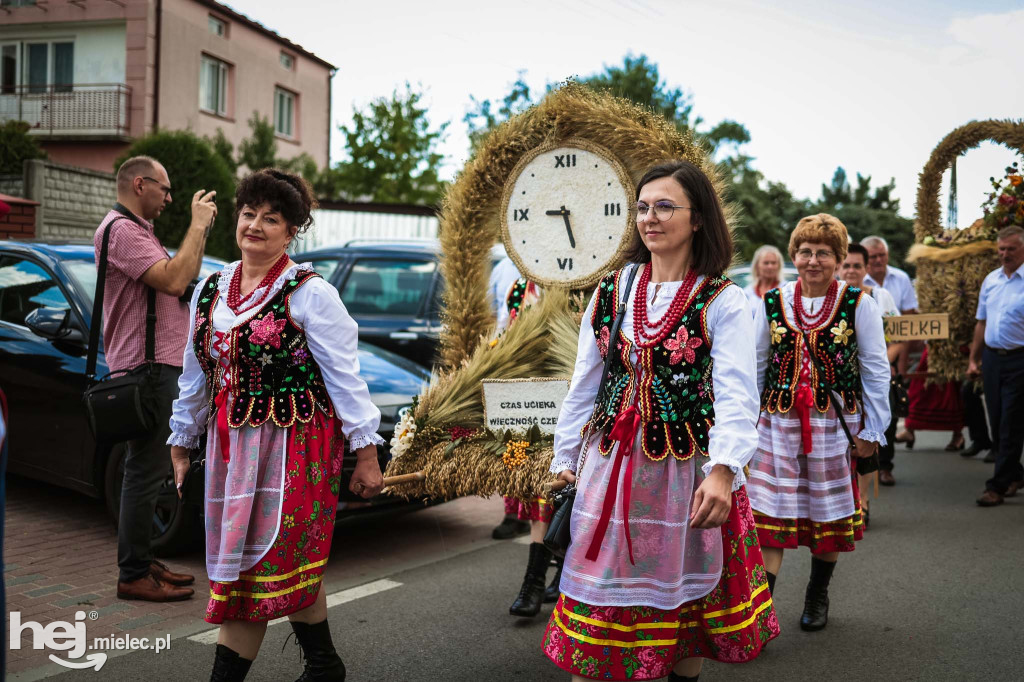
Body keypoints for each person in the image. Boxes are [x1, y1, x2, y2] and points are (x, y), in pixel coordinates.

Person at [543, 161, 779, 682]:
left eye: (666, 206)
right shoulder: (611, 292)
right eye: (643, 207)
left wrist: (723, 471)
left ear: (698, 220)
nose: (651, 218)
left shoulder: (724, 301)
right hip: (611, 472)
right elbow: (585, 384)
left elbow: (738, 396)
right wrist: (565, 460)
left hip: (688, 473)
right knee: (600, 608)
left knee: (685, 611)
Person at [168, 169, 385, 681]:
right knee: (281, 564)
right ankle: (326, 665)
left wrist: (367, 452)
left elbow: (345, 377)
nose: (256, 226)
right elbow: (195, 371)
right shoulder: (210, 289)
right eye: (249, 214)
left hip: (294, 449)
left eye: (272, 219)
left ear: (291, 232)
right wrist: (182, 437)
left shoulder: (310, 293)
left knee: (258, 567)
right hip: (229, 451)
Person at [748, 214, 890, 632]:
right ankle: (761, 613)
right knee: (769, 520)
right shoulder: (771, 301)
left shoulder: (858, 303)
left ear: (838, 257)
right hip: (776, 424)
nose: (813, 260)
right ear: (794, 255)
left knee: (825, 515)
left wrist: (872, 431)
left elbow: (876, 369)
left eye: (823, 253)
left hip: (833, 425)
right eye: (806, 252)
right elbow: (757, 365)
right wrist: (745, 424)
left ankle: (817, 595)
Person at [97, 155, 217, 602]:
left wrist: (199, 234)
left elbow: (185, 281)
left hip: (157, 367)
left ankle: (142, 561)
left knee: (147, 471)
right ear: (140, 184)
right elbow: (173, 280)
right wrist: (197, 224)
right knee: (145, 472)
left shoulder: (139, 231)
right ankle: (132, 573)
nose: (169, 197)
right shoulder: (122, 230)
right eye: (164, 189)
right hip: (146, 371)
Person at [840, 242, 899, 518]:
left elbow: (897, 338)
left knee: (870, 440)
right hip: (845, 382)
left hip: (872, 377)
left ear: (866, 269)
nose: (851, 271)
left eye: (857, 266)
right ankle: (845, 498)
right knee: (847, 441)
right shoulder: (834, 298)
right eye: (847, 265)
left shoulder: (880, 296)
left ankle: (864, 501)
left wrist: (879, 365)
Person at [968, 225, 1024, 507]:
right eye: (1001, 249)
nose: (1004, 254)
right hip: (992, 358)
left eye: (1011, 249)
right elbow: (982, 323)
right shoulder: (991, 280)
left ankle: (997, 486)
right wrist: (973, 359)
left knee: (1010, 422)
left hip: (1019, 359)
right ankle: (1015, 473)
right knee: (998, 417)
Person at [743, 244, 786, 313]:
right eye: (766, 263)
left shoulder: (786, 290)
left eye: (773, 263)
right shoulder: (747, 293)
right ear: (757, 265)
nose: (770, 266)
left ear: (779, 265)